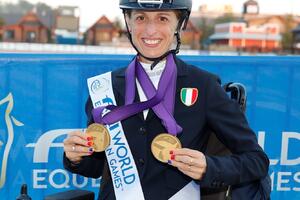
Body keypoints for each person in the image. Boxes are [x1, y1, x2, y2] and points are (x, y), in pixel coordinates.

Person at [63, 0, 270, 200]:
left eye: (162, 18)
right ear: (128, 22)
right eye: (141, 18)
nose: (150, 30)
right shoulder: (104, 88)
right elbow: (97, 167)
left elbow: (256, 160)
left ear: (178, 24)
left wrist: (210, 167)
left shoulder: (204, 86)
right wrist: (76, 156)